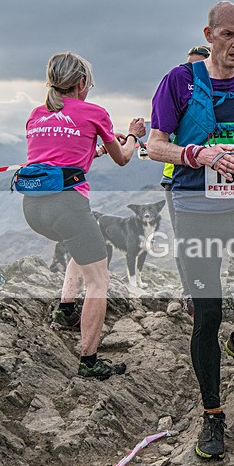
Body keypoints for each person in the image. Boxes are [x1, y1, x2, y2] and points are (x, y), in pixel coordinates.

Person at [147, 1, 234, 461]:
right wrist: (197, 155)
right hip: (193, 211)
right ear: (209, 34)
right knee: (207, 314)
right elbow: (155, 146)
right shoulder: (178, 81)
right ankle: (213, 415)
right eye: (228, 35)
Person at [23, 51, 145, 379]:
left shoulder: (36, 114)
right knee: (99, 280)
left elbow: (59, 157)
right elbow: (124, 158)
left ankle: (65, 311)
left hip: (33, 208)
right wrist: (132, 135)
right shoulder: (95, 113)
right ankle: (89, 360)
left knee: (85, 237)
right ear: (80, 83)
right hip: (67, 207)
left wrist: (98, 146)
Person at [158, 44, 213, 317]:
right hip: (176, 179)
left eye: (198, 66)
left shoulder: (217, 94)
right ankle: (190, 292)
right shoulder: (178, 90)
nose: (190, 71)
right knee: (184, 240)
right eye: (188, 65)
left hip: (214, 180)